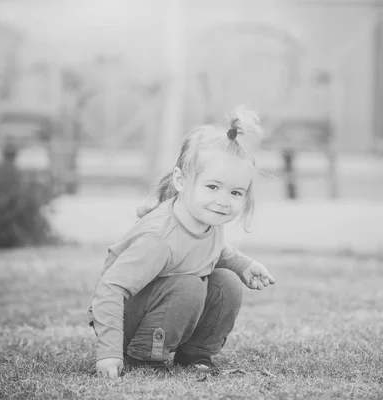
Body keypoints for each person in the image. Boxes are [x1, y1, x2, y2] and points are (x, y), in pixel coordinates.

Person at [88, 106, 276, 378]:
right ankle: (144, 356)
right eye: (213, 186)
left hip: (165, 306)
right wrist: (108, 353)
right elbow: (111, 288)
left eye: (236, 192)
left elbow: (206, 249)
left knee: (227, 282)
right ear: (181, 181)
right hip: (126, 318)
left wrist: (242, 265)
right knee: (189, 286)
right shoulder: (158, 240)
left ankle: (195, 354)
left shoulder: (206, 219)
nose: (223, 200)